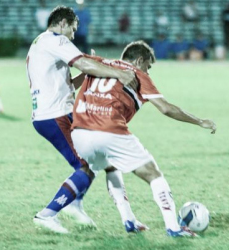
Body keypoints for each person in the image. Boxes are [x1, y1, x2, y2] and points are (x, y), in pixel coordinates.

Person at [40, 40, 216, 236]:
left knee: (110, 166)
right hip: (109, 131)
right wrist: (199, 121)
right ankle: (174, 228)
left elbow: (73, 73)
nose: (147, 72)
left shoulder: (97, 64)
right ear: (139, 60)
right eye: (148, 67)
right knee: (153, 174)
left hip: (80, 133)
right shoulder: (138, 75)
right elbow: (166, 108)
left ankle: (128, 220)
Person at [27, 5, 147, 233]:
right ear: (62, 23)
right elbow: (82, 62)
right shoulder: (56, 40)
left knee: (96, 155)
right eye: (72, 29)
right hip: (55, 115)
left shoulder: (39, 44)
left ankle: (76, 204)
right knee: (85, 166)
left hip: (52, 112)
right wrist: (119, 72)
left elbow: (67, 84)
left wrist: (86, 72)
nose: (73, 35)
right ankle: (47, 214)